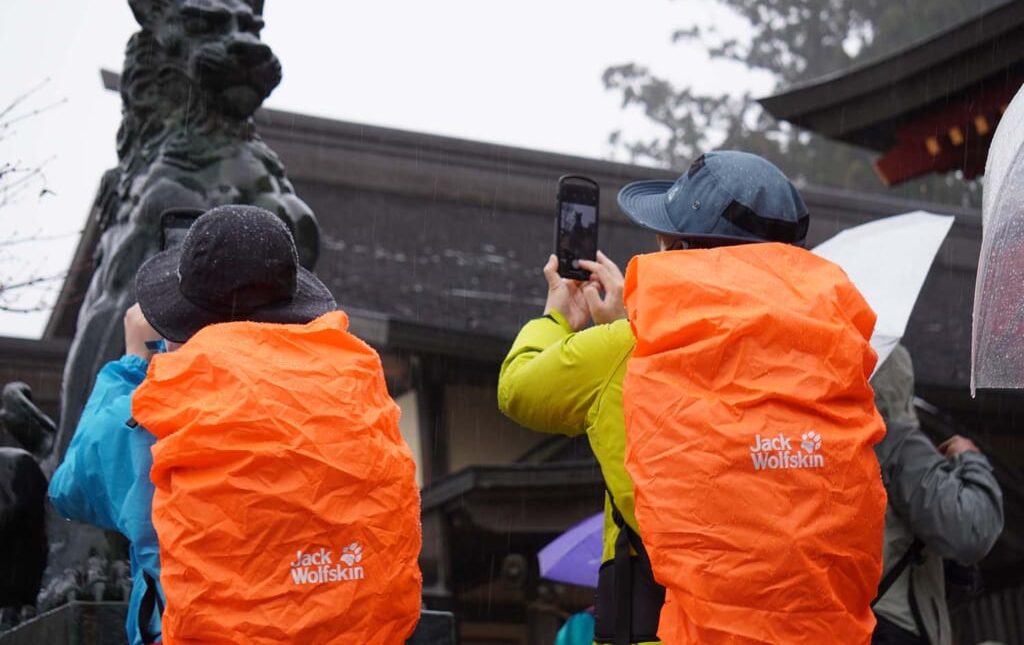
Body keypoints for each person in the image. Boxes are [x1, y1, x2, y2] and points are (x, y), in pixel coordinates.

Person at [498, 150, 886, 644]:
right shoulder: (834, 352)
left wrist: (559, 317)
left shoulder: (633, 347)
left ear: (678, 246)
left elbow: (518, 388)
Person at [50, 205, 422, 645]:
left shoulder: (158, 409)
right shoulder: (354, 385)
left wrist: (134, 363)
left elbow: (70, 487)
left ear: (180, 317)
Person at [870, 344, 1004, 645]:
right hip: (893, 624)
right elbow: (971, 530)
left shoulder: (810, 446)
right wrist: (970, 460)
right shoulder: (896, 443)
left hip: (836, 624)